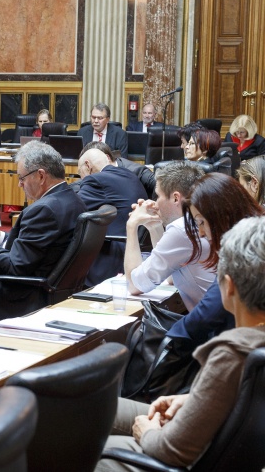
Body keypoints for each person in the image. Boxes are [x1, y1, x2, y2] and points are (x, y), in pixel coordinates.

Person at [96, 215, 265, 471]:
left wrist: (147, 432)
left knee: (85, 444)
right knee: (89, 406)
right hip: (214, 439)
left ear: (229, 287)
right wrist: (191, 399)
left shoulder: (232, 353)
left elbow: (174, 451)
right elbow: (241, 403)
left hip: (180, 455)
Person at [0, 141, 86, 321]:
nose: (19, 185)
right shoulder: (74, 200)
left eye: (21, 178)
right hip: (48, 289)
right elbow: (38, 248)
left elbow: (15, 268)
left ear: (40, 176)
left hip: (23, 296)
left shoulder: (44, 210)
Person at [166, 173, 264, 350]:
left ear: (223, 215)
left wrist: (164, 342)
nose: (201, 233)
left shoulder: (244, 247)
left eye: (201, 222)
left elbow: (207, 313)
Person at [124, 161, 214, 310]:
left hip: (214, 327)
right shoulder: (202, 218)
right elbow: (171, 277)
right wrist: (154, 227)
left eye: (158, 195)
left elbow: (135, 286)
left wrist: (132, 225)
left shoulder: (183, 228)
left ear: (176, 198)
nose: (156, 203)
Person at [75, 148, 147, 286]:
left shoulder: (96, 180)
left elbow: (74, 207)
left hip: (112, 257)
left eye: (80, 173)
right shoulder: (129, 174)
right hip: (135, 251)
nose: (81, 179)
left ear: (88, 166)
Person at [77, 141, 156, 198]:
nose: (89, 170)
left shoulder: (136, 171)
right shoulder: (97, 174)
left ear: (106, 158)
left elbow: (162, 186)